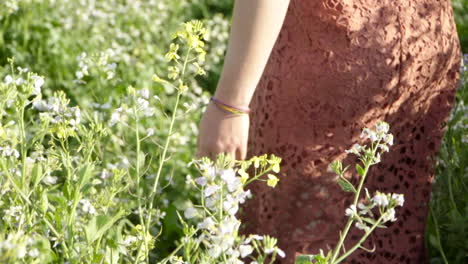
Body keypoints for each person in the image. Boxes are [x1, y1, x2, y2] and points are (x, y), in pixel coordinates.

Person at [196, 0, 462, 263]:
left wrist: (230, 104)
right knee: (382, 231)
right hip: (428, 40)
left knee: (299, 239)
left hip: (335, 50)